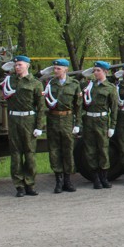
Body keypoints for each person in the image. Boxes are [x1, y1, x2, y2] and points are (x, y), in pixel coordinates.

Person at [2, 55, 45, 197]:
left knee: (30, 154)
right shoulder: (9, 81)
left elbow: (40, 107)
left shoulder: (35, 83)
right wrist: (2, 67)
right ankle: (19, 186)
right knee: (15, 155)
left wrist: (39, 126)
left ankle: (30, 184)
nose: (17, 67)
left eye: (19, 64)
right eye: (15, 65)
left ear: (27, 65)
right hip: (14, 120)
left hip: (29, 120)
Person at [43, 58, 82, 193]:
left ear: (66, 69)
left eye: (58, 68)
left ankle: (68, 180)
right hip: (53, 118)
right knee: (54, 151)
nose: (55, 71)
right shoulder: (49, 84)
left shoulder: (74, 84)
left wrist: (78, 123)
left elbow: (78, 106)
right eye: (54, 68)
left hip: (67, 119)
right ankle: (58, 181)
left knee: (68, 150)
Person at [82, 61, 119, 190]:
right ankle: (95, 178)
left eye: (98, 70)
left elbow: (114, 109)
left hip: (102, 121)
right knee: (90, 150)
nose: (95, 73)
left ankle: (104, 177)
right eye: (94, 70)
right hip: (89, 120)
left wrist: (112, 126)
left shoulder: (110, 87)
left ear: (105, 72)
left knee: (103, 150)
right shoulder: (88, 86)